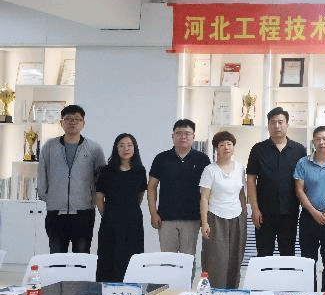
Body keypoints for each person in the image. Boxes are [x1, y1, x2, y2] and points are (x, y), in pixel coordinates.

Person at [37, 104, 106, 253]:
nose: (72, 122)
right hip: (56, 213)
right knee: (56, 256)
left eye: (77, 119)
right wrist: (50, 198)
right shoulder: (49, 147)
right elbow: (42, 175)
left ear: (83, 123)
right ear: (61, 122)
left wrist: (93, 200)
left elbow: (102, 180)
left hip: (84, 212)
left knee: (81, 257)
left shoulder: (94, 149)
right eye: (68, 119)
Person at [247, 107, 307, 257]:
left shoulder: (299, 150)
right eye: (273, 122)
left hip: (290, 212)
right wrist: (254, 209)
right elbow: (251, 180)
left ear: (287, 124)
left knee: (288, 254)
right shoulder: (258, 149)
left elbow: (303, 180)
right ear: (268, 126)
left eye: (281, 122)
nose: (277, 126)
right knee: (263, 253)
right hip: (264, 212)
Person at [147, 119, 210, 261]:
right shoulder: (161, 158)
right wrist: (153, 213)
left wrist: (204, 218)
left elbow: (207, 192)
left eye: (187, 133)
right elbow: (151, 187)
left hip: (192, 218)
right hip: (166, 219)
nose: (183, 137)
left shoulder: (202, 159)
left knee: (188, 259)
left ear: (193, 136)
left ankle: (186, 279)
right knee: (167, 260)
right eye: (179, 133)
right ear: (173, 136)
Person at [295, 126, 325, 292]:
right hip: (309, 218)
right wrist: (313, 212)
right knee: (309, 261)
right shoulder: (303, 163)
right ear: (313, 142)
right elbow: (299, 190)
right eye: (318, 139)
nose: (321, 142)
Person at [95, 133, 146, 281]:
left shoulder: (140, 171)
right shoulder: (106, 170)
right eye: (122, 145)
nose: (126, 149)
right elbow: (99, 198)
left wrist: (129, 212)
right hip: (110, 221)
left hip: (133, 221)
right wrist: (108, 214)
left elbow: (140, 195)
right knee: (109, 257)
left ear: (135, 148)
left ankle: (131, 288)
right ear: (116, 148)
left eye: (129, 145)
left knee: (132, 256)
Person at [199, 131, 247, 289]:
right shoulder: (210, 170)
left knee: (235, 257)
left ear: (233, 147)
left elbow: (241, 193)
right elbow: (204, 198)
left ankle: (232, 293)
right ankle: (214, 293)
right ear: (216, 149)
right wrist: (204, 223)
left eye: (229, 144)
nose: (226, 147)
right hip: (215, 218)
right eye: (221, 145)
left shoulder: (240, 168)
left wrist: (244, 214)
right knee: (217, 259)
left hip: (237, 217)